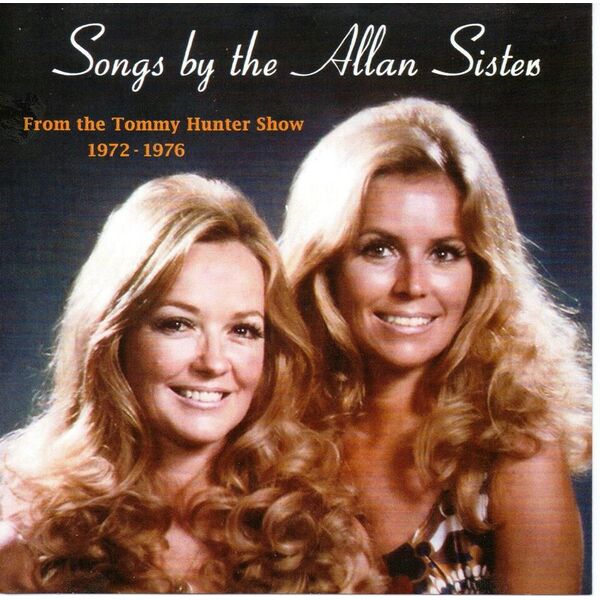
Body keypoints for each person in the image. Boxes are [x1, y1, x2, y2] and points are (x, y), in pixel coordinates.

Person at [0, 174, 385, 593]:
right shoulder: (26, 545)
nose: (214, 363)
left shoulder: (324, 538)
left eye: (243, 330)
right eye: (178, 324)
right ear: (114, 337)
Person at [279, 98, 592, 594]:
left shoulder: (514, 453)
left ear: (480, 272)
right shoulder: (269, 428)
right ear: (327, 262)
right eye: (379, 249)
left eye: (445, 253)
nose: (413, 285)